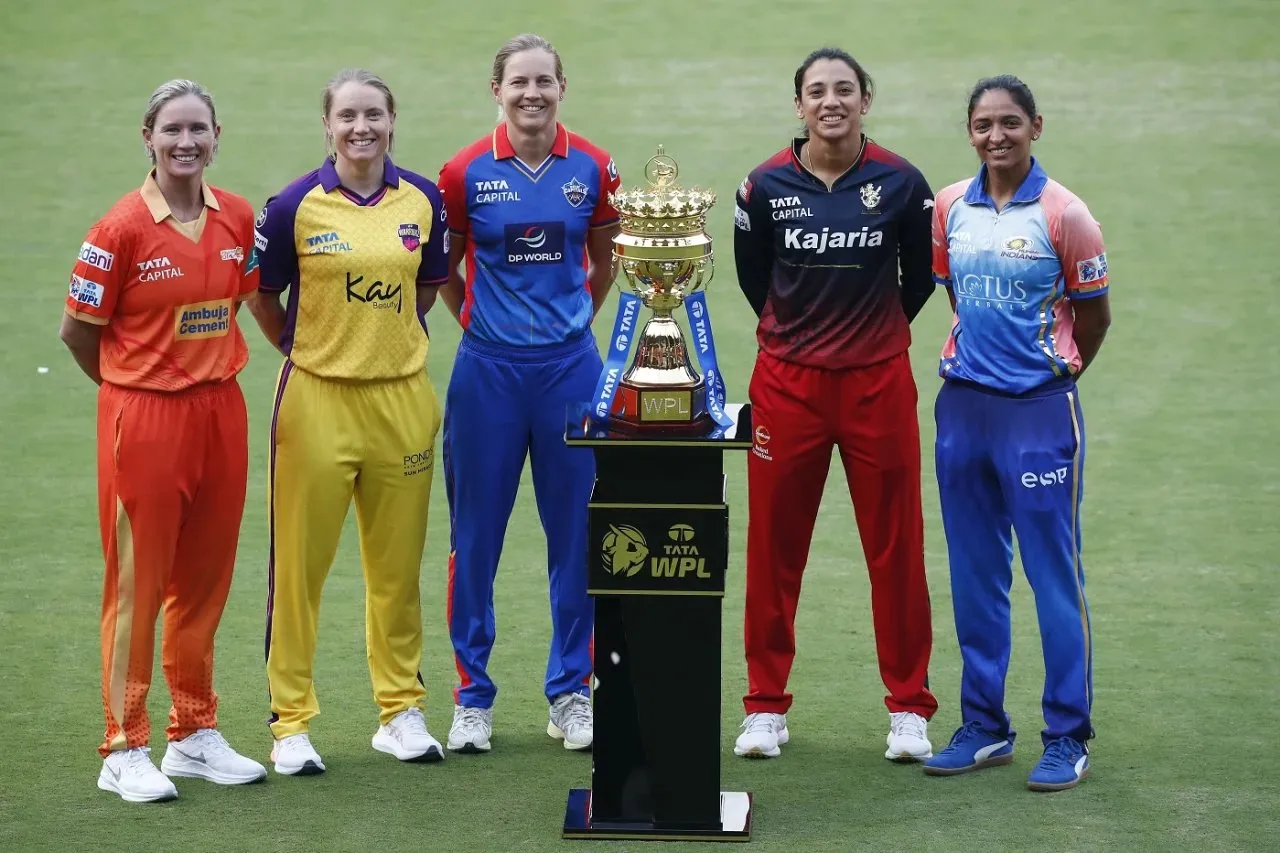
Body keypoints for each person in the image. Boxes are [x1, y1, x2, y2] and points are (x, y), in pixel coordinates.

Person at [59, 79, 268, 803]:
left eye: (199, 130)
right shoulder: (117, 229)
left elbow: (236, 299)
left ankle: (192, 732)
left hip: (221, 412)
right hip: (144, 418)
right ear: (147, 137)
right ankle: (123, 744)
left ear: (217, 136)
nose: (186, 142)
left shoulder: (237, 215)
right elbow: (77, 333)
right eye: (172, 129)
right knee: (139, 586)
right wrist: (131, 389)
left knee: (205, 581)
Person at [731, 47, 939, 762]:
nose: (831, 101)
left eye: (844, 90)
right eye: (817, 91)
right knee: (773, 545)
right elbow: (754, 278)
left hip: (877, 382)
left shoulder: (903, 183)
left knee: (896, 544)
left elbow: (919, 279)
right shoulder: (762, 186)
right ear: (799, 105)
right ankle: (764, 705)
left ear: (865, 99)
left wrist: (871, 335)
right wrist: (803, 338)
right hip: (787, 385)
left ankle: (909, 706)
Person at [247, 68, 449, 775]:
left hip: (402, 401)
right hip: (316, 402)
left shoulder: (423, 199)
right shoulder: (294, 206)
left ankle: (400, 711)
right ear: (326, 126)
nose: (361, 128)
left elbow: (427, 285)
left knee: (397, 571)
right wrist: (306, 349)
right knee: (299, 571)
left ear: (393, 121)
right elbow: (264, 296)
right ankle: (291, 722)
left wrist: (384, 340)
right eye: (347, 117)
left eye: (374, 115)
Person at [434, 32, 622, 754]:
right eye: (519, 82)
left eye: (544, 81)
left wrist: (570, 325)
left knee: (577, 536)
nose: (532, 93)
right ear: (497, 91)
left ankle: (571, 691)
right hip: (487, 375)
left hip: (570, 373)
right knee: (474, 538)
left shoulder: (594, 168)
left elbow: (603, 259)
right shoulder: (464, 173)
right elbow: (443, 271)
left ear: (562, 88)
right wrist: (483, 324)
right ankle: (472, 697)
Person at [922, 75, 1110, 792]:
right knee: (974, 574)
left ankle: (1067, 734)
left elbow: (1093, 319)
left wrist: (1050, 376)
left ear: (1036, 125)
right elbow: (954, 295)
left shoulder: (1067, 215)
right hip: (963, 409)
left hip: (1038, 413)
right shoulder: (948, 207)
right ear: (970, 132)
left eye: (1009, 123)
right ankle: (983, 727)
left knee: (1053, 575)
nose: (995, 136)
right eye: (982, 125)